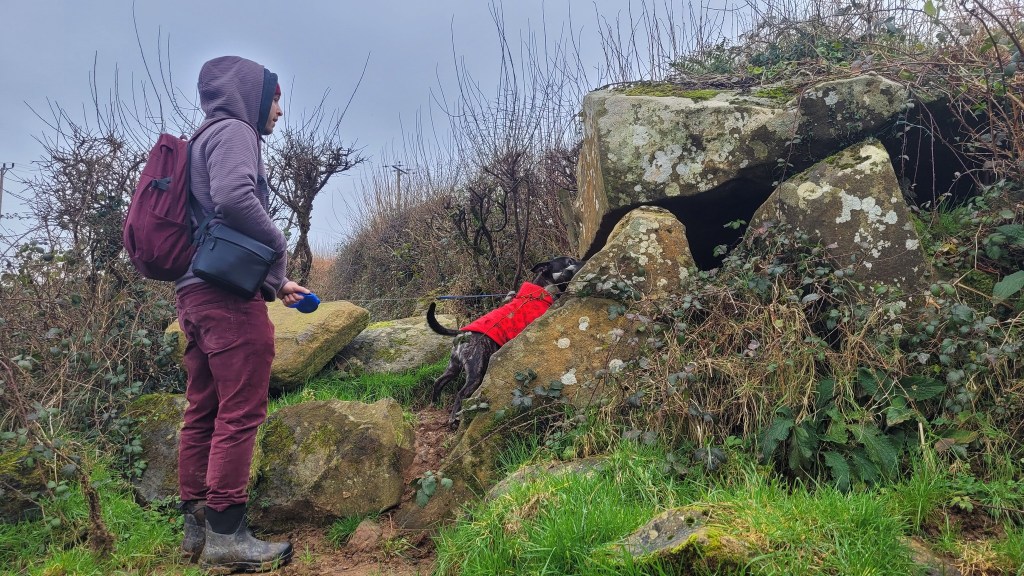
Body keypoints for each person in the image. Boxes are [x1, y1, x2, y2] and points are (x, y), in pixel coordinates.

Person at [174, 55, 308, 573]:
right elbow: (233, 199)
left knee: (203, 409)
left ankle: (197, 529)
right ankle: (227, 535)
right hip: (228, 301)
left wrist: (276, 284)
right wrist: (278, 245)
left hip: (195, 293)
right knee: (241, 410)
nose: (279, 110)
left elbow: (214, 227)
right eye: (275, 98)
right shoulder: (235, 131)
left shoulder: (201, 138)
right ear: (253, 95)